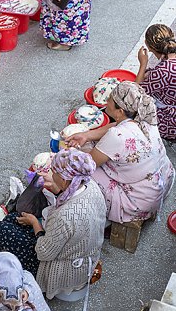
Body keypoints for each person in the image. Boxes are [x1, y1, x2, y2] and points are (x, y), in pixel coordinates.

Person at [0, 150, 106, 299]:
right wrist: (56, 188)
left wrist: (34, 223)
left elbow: (44, 252)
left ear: (65, 181)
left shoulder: (65, 216)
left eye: (54, 172)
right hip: (84, 253)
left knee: (3, 230)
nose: (52, 175)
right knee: (13, 219)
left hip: (65, 269)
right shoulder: (91, 187)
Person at [67, 81, 175, 223]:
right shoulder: (145, 115)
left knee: (83, 174)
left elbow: (87, 164)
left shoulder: (116, 136)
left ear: (120, 111)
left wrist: (69, 153)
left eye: (111, 99)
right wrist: (87, 135)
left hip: (139, 203)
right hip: (162, 181)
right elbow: (118, 123)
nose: (107, 101)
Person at [135, 24, 176, 141]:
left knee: (128, 108)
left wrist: (143, 64)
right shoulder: (169, 61)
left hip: (170, 121)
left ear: (149, 46)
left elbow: (134, 92)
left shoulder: (163, 71)